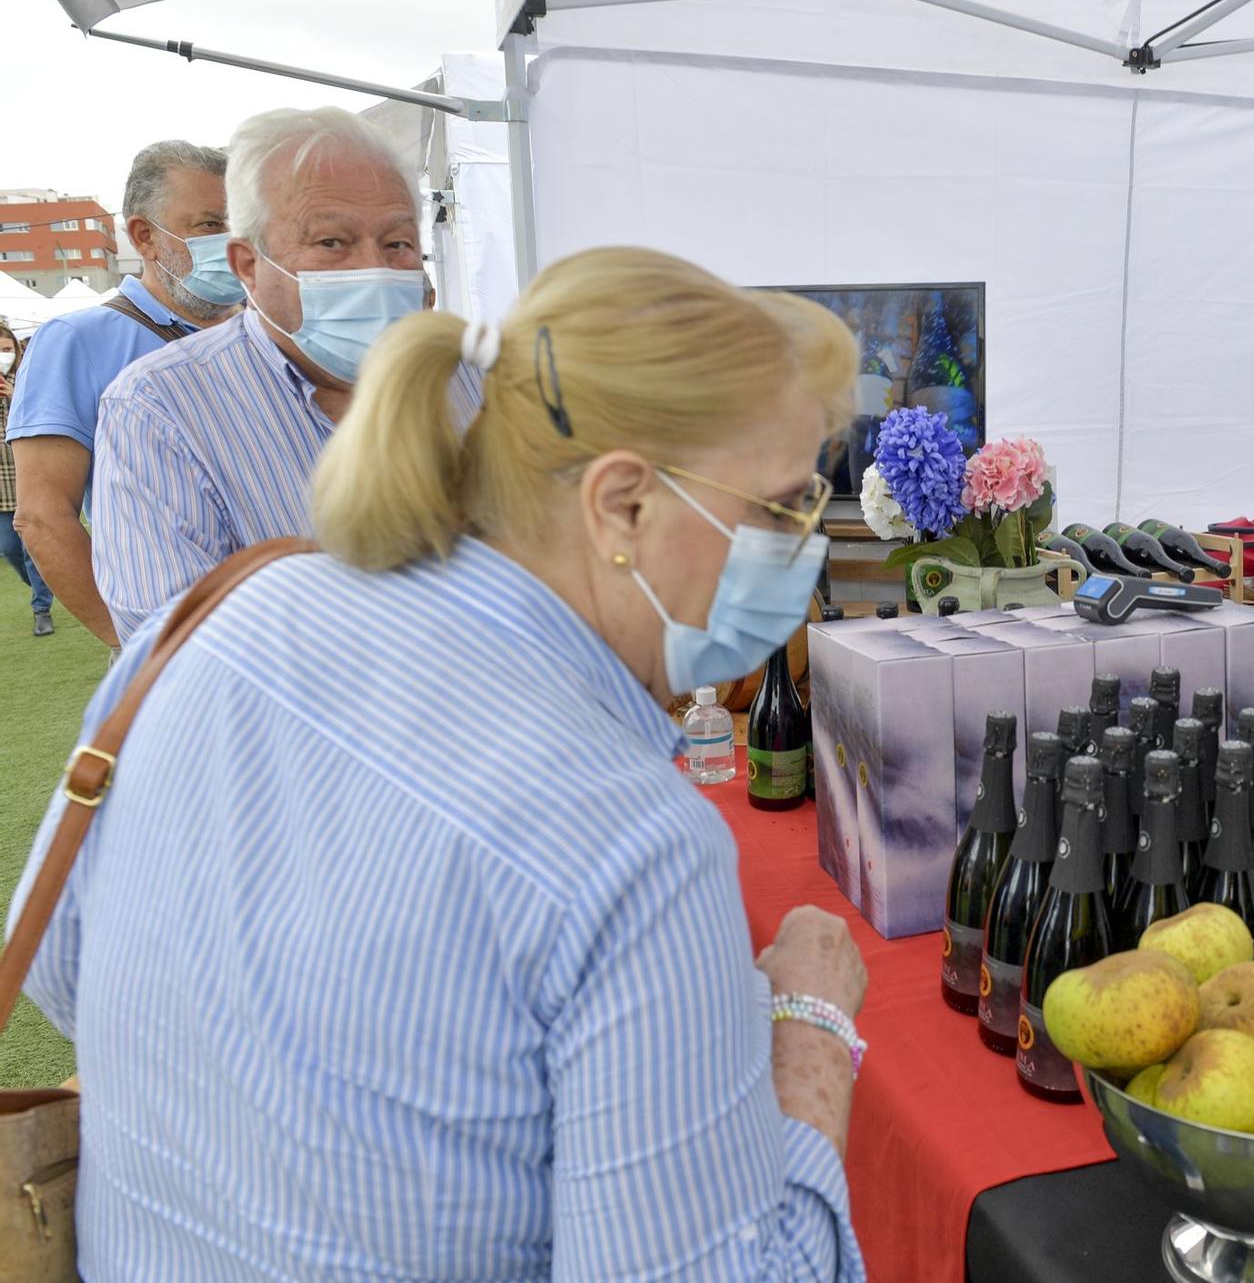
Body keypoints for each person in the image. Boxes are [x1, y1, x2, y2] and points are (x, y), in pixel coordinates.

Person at [8, 246, 868, 1276]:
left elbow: (62, 959)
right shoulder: (630, 837)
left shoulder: (228, 607)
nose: (800, 546)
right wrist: (809, 1042)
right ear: (623, 506)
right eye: (778, 508)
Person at [90, 106, 473, 643]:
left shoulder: (475, 376)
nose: (375, 268)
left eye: (397, 243)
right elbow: (176, 636)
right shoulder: (160, 407)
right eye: (331, 243)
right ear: (248, 264)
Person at [5, 141, 239, 647]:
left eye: (243, 224)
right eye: (211, 225)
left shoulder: (267, 333)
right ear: (145, 237)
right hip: (177, 648)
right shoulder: (76, 340)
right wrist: (136, 644)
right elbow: (43, 515)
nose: (234, 242)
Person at [0, 321, 56, 634]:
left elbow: (40, 419)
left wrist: (13, 396)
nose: (2, 356)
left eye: (6, 350)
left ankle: (41, 609)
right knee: (9, 547)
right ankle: (45, 584)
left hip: (29, 473)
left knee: (33, 547)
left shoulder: (27, 380)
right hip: (1, 482)